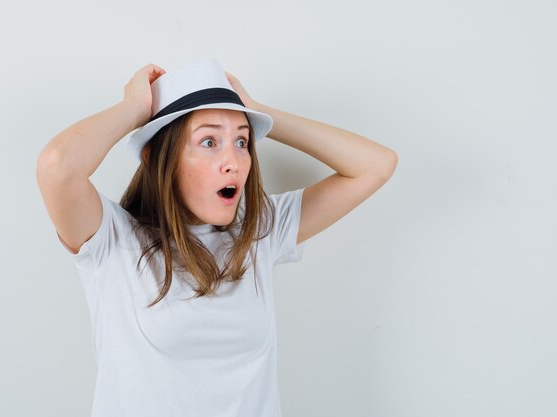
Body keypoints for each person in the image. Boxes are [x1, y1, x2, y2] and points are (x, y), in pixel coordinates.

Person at [36, 58, 398, 417]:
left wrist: (256, 111)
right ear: (157, 156)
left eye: (242, 142)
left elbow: (376, 165)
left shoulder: (260, 231)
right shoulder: (111, 239)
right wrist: (133, 109)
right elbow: (58, 166)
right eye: (209, 141)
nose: (234, 162)